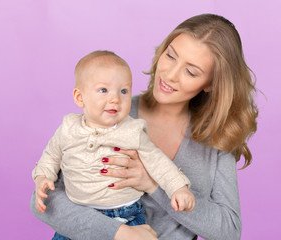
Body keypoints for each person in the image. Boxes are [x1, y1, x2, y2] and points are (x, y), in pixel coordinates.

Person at [30, 13, 258, 240]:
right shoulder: (112, 112)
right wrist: (118, 233)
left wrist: (153, 185)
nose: (170, 74)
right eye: (170, 56)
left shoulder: (216, 139)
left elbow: (229, 231)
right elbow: (45, 200)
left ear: (210, 83)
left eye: (190, 71)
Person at [32, 50, 195, 240]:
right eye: (103, 90)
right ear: (79, 98)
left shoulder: (132, 131)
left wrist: (179, 188)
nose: (115, 99)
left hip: (126, 216)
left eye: (123, 91)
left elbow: (158, 161)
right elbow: (51, 156)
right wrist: (43, 177)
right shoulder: (68, 128)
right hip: (79, 216)